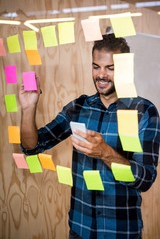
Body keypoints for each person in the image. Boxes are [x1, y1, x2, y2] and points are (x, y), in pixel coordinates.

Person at [19, 33, 160, 239]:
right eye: (96, 66)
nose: (101, 75)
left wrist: (106, 153)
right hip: (79, 229)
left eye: (110, 68)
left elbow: (145, 179)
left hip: (120, 232)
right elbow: (32, 146)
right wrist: (28, 108)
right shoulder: (79, 107)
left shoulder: (144, 111)